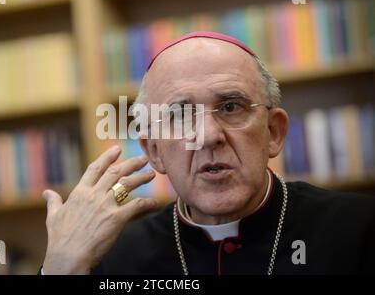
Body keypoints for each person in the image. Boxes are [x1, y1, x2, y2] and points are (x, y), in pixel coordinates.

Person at [40, 31, 375, 275]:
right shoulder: (110, 258)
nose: (209, 136)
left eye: (231, 107)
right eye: (180, 115)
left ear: (273, 132)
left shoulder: (360, 230)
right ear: (154, 150)